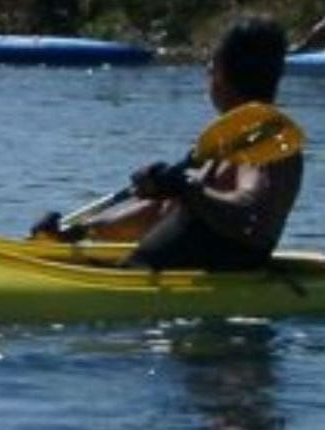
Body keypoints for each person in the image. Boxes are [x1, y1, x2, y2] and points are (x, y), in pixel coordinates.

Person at [121, 16, 304, 271]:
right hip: (159, 280)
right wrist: (83, 229)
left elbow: (250, 213)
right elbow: (164, 211)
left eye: (211, 64)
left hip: (214, 286)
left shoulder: (264, 138)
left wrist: (184, 185)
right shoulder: (228, 139)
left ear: (220, 71)